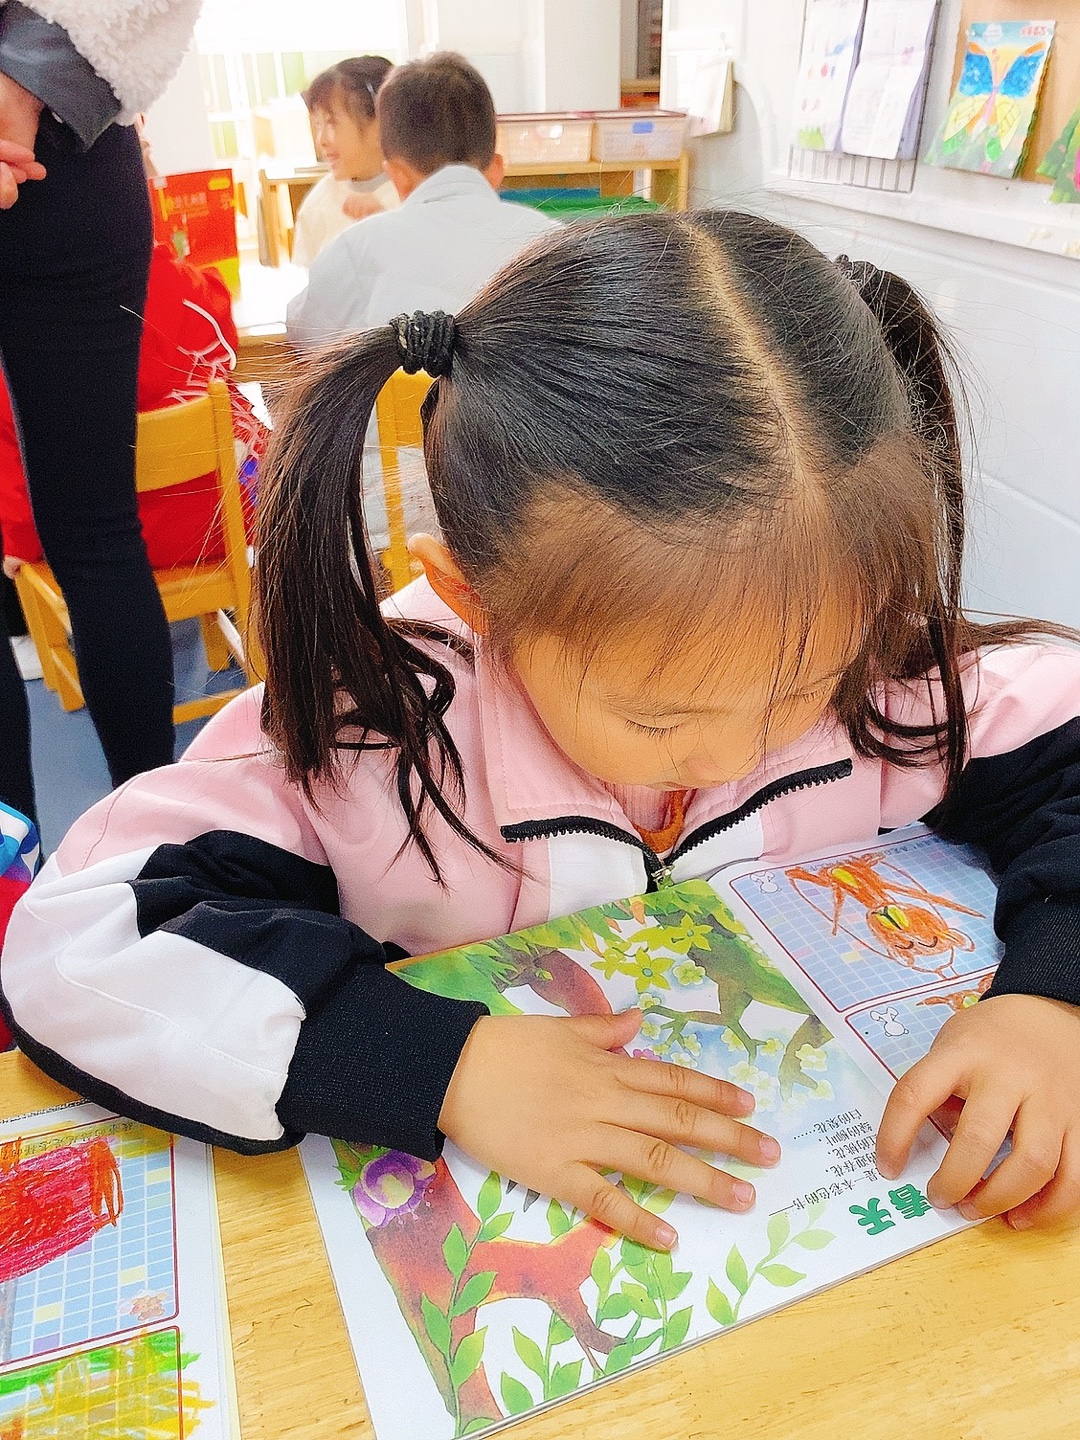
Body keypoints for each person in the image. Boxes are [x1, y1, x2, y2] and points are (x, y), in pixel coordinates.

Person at [5, 212, 1080, 1251]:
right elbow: (78, 943)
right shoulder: (374, 729)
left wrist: (1053, 997)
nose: (737, 754)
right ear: (475, 599)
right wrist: (442, 1066)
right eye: (660, 716)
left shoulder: (882, 676)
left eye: (805, 683)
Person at [0, 0, 203, 826]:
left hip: (58, 141)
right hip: (68, 139)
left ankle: (12, 880)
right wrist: (26, 74)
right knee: (98, 539)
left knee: (96, 541)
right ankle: (148, 849)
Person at [0, 240, 266, 575]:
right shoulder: (175, 281)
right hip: (225, 520)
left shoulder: (27, 332)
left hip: (108, 547)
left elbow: (14, 452)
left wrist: (19, 547)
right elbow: (223, 329)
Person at [287, 52, 558, 346]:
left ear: (396, 175)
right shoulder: (552, 241)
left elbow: (301, 335)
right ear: (496, 170)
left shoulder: (355, 251)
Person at [291, 55, 398, 269]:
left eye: (332, 123)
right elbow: (304, 278)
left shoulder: (414, 191)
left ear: (379, 127)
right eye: (317, 125)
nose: (321, 140)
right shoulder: (319, 202)